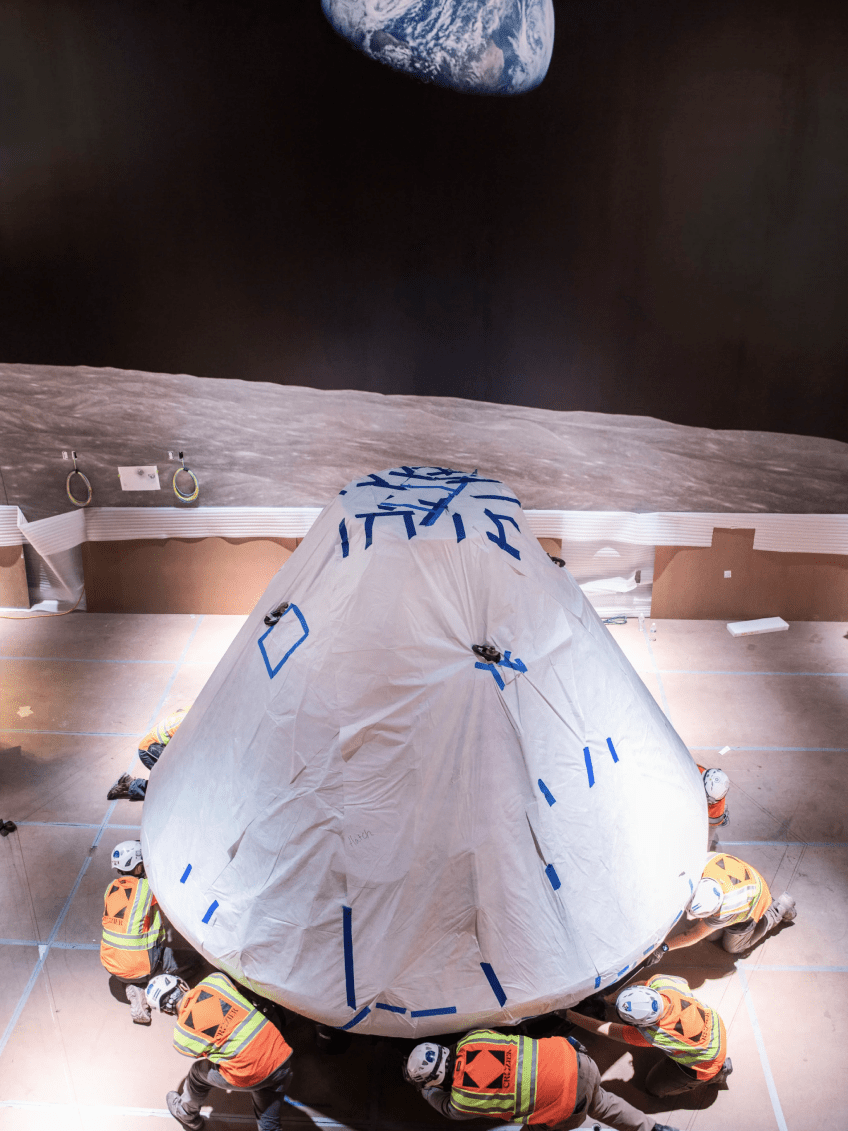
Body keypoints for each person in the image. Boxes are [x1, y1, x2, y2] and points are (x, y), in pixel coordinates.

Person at [404, 1028, 680, 1131]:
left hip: (568, 1103)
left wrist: (424, 1091)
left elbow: (443, 1106)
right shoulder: (474, 1038)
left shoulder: (462, 1102)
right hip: (579, 1060)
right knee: (603, 1103)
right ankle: (655, 1130)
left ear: (436, 1080)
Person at [147, 970, 293, 1131]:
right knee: (268, 1118)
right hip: (281, 1058)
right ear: (181, 984)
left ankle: (187, 1114)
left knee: (197, 1073)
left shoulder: (181, 1036)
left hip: (250, 1075)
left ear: (166, 1011)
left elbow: (202, 1051)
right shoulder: (215, 981)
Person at [566, 977, 731, 1098]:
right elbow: (641, 985)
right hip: (715, 1026)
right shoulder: (663, 983)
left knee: (653, 1088)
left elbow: (605, 1029)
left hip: (705, 1063)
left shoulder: (651, 1035)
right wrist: (609, 999)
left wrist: (569, 1015)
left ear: (642, 1025)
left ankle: (719, 1073)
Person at [101, 840, 196, 1025]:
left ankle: (135, 985)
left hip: (111, 963)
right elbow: (172, 893)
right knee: (193, 963)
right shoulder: (147, 887)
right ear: (138, 865)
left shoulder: (110, 887)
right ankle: (148, 984)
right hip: (141, 964)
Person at [666, 851, 796, 954]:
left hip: (755, 902)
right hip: (746, 880)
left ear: (718, 908)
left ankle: (778, 908)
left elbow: (694, 934)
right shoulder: (700, 869)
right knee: (711, 936)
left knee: (732, 947)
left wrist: (663, 949)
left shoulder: (731, 906)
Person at [107, 705, 191, 801]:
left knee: (180, 779)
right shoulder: (185, 727)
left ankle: (128, 782)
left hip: (156, 745)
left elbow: (179, 710)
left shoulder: (194, 709)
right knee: (173, 787)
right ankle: (130, 786)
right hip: (149, 750)